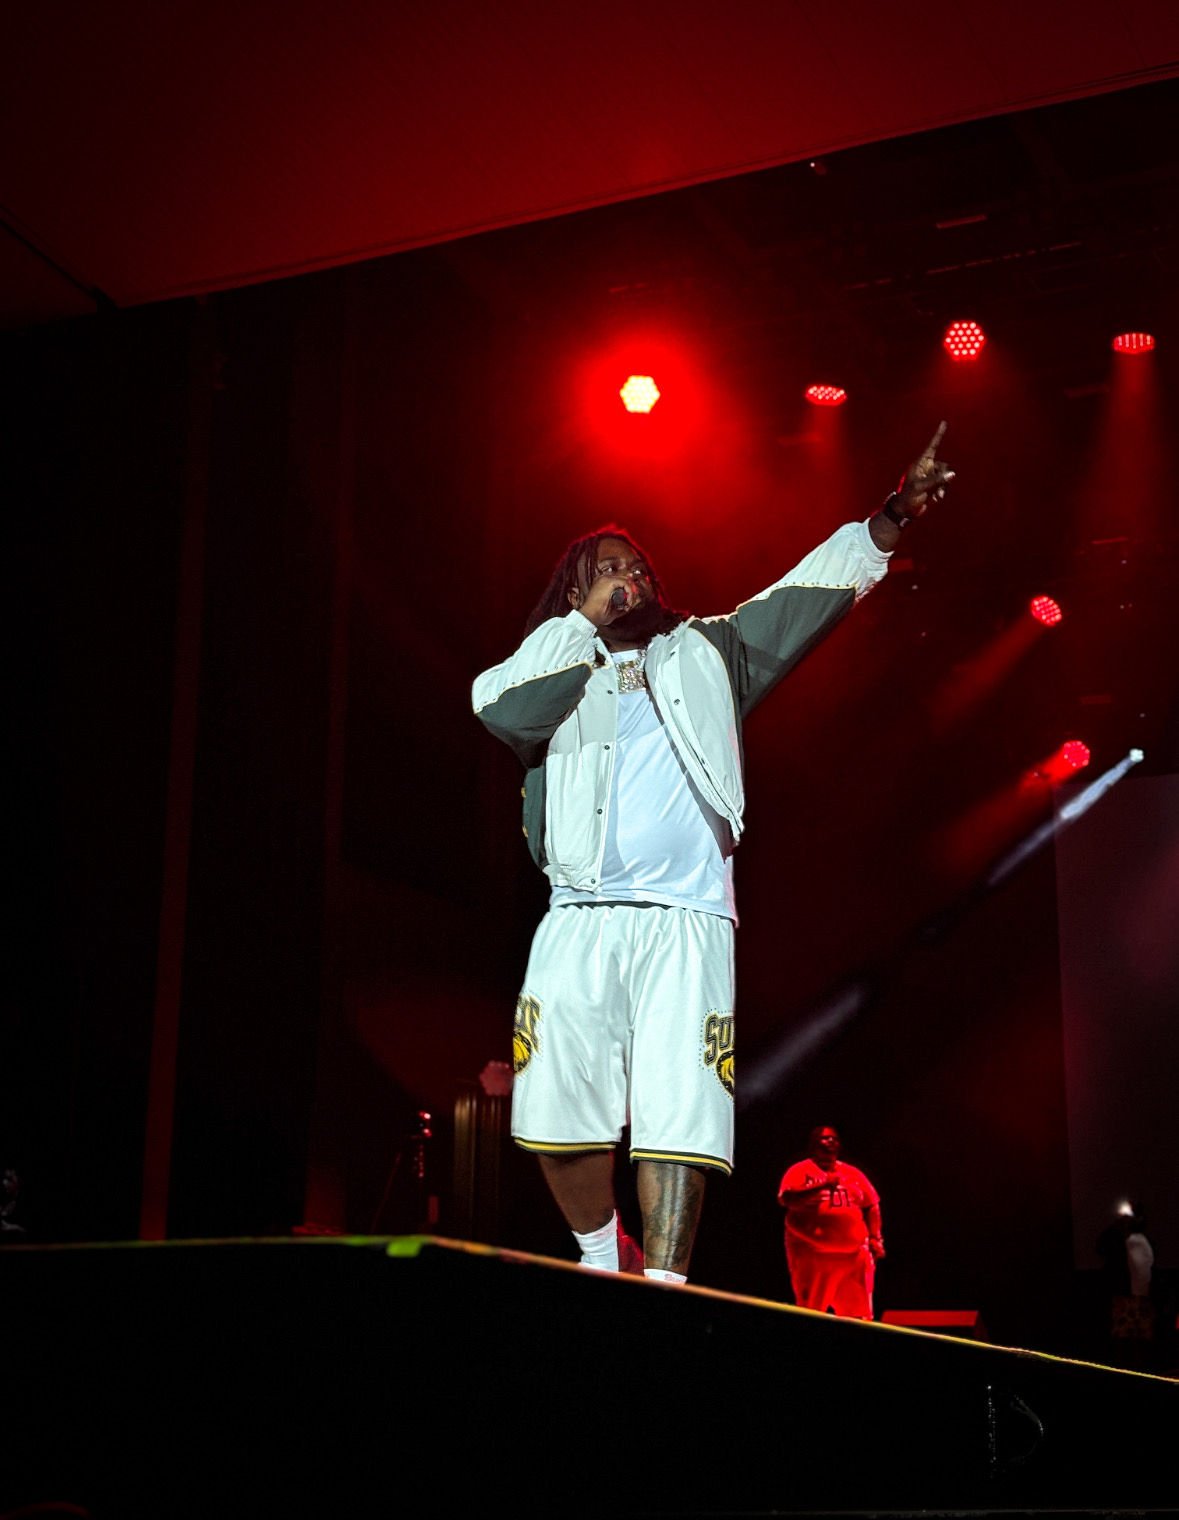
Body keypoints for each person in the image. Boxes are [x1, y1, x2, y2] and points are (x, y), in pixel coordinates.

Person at [471, 424, 955, 1285]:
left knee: (680, 1113)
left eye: (640, 567)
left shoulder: (706, 651)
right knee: (550, 1109)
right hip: (579, 917)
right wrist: (580, 624)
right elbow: (498, 709)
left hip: (688, 918)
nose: (633, 578)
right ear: (576, 589)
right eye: (610, 569)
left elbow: (803, 595)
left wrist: (889, 517)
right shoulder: (549, 668)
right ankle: (597, 1257)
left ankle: (662, 1291)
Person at [777, 1124, 884, 1318]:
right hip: (814, 1254)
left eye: (834, 1139)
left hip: (852, 1255)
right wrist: (822, 1185)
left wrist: (876, 1238)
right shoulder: (800, 1170)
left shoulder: (853, 1173)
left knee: (858, 1316)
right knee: (811, 1313)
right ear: (813, 1145)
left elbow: (872, 1204)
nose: (830, 1142)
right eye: (825, 1138)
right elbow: (787, 1199)